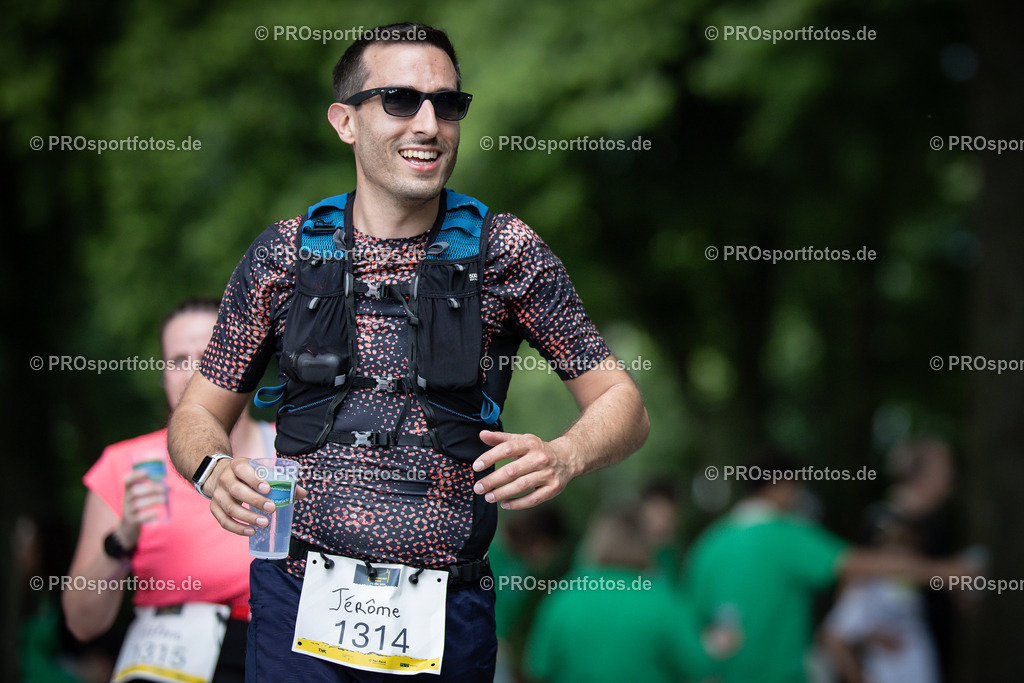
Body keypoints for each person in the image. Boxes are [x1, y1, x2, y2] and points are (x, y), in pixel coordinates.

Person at [166, 21, 649, 682]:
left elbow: (623, 402)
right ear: (345, 121)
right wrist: (211, 468)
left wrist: (567, 452)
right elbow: (197, 413)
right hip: (295, 596)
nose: (429, 123)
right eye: (400, 100)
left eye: (447, 104)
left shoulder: (505, 251)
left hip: (445, 609)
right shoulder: (282, 255)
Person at [63, 298, 276, 682]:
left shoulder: (292, 458)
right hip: (164, 662)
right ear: (162, 375)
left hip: (273, 653)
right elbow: (81, 623)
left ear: (249, 362)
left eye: (211, 352)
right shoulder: (125, 466)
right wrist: (121, 539)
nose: (195, 370)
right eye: (178, 359)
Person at [683, 454, 972, 683]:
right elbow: (863, 564)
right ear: (782, 485)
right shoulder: (785, 534)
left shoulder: (708, 546)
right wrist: (944, 571)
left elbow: (697, 630)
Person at [526, 506, 716, 683]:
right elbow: (698, 668)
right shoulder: (665, 601)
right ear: (645, 544)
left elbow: (539, 668)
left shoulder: (563, 599)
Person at [821, 509, 941, 683]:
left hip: (920, 669)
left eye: (906, 542)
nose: (901, 553)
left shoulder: (913, 581)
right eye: (892, 543)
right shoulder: (863, 585)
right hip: (886, 673)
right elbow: (834, 637)